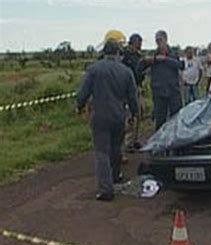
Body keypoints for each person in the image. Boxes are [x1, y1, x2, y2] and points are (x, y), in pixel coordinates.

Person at [76, 40, 138, 202]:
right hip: (119, 116)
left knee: (102, 152)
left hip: (100, 116)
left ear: (104, 52)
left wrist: (79, 106)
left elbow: (83, 92)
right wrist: (135, 113)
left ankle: (106, 189)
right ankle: (116, 176)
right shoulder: (126, 71)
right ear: (118, 53)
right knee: (116, 148)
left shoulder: (94, 69)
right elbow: (132, 96)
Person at [140, 30, 184, 130]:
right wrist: (149, 60)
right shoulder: (152, 54)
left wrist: (164, 59)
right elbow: (141, 66)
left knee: (176, 118)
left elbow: (180, 65)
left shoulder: (174, 53)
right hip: (158, 92)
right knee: (160, 120)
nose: (158, 43)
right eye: (157, 41)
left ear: (166, 39)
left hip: (173, 90)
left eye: (160, 40)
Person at [122, 34, 144, 152]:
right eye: (139, 42)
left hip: (137, 86)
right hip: (127, 89)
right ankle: (127, 142)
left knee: (138, 114)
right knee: (130, 116)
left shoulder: (138, 56)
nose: (141, 45)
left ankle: (135, 140)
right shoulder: (125, 56)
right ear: (134, 42)